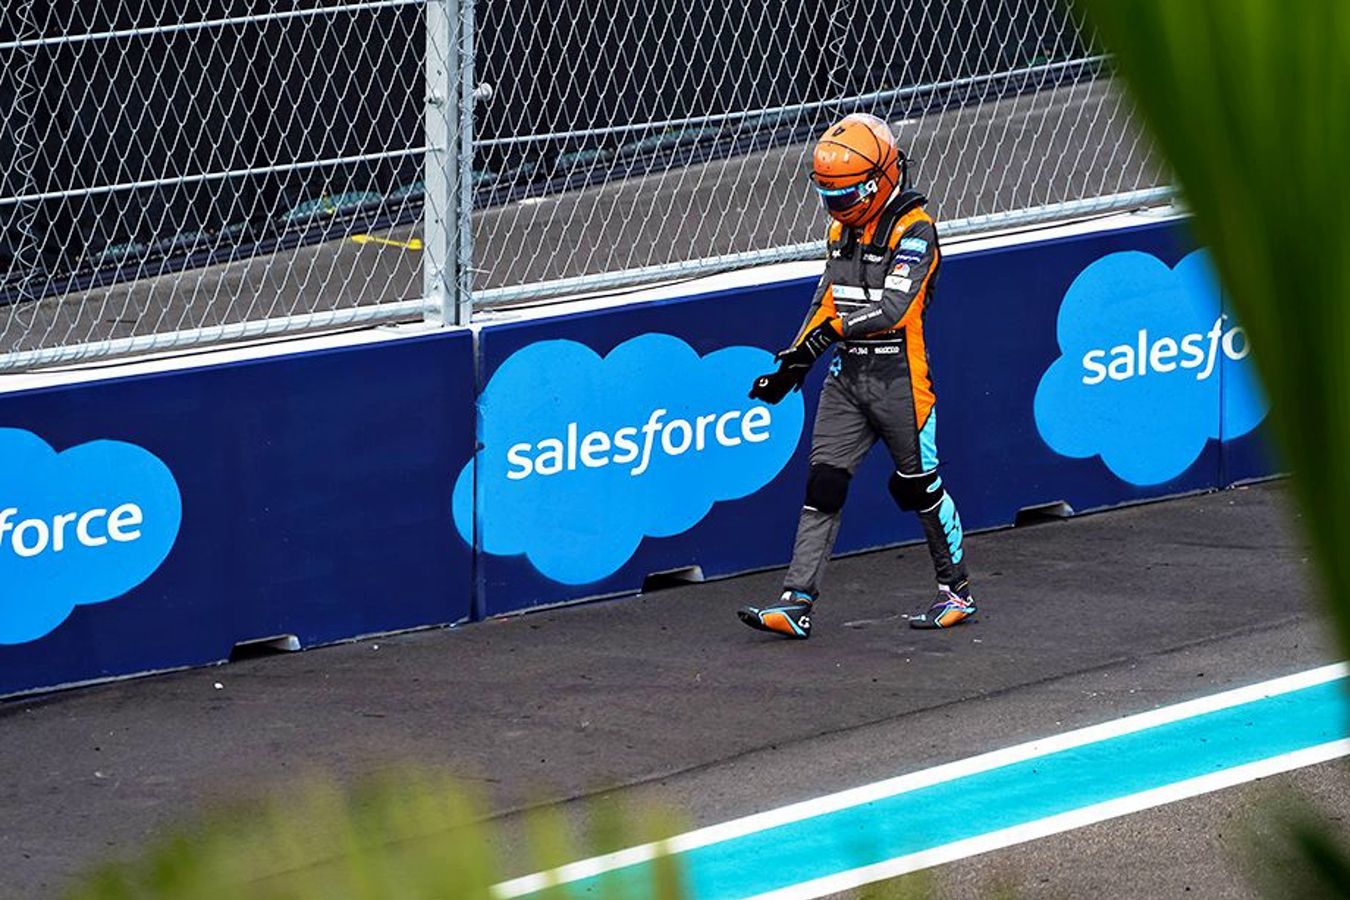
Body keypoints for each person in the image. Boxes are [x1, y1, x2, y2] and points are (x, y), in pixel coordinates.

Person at [737, 112, 975, 639]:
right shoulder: (838, 230)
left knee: (918, 487)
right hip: (846, 379)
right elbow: (826, 299)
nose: (836, 206)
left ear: (879, 179)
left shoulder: (917, 231)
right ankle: (796, 602)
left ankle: (956, 591)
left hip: (900, 380)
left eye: (844, 196)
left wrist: (827, 335)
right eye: (828, 196)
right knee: (823, 483)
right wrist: (793, 362)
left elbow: (893, 308)